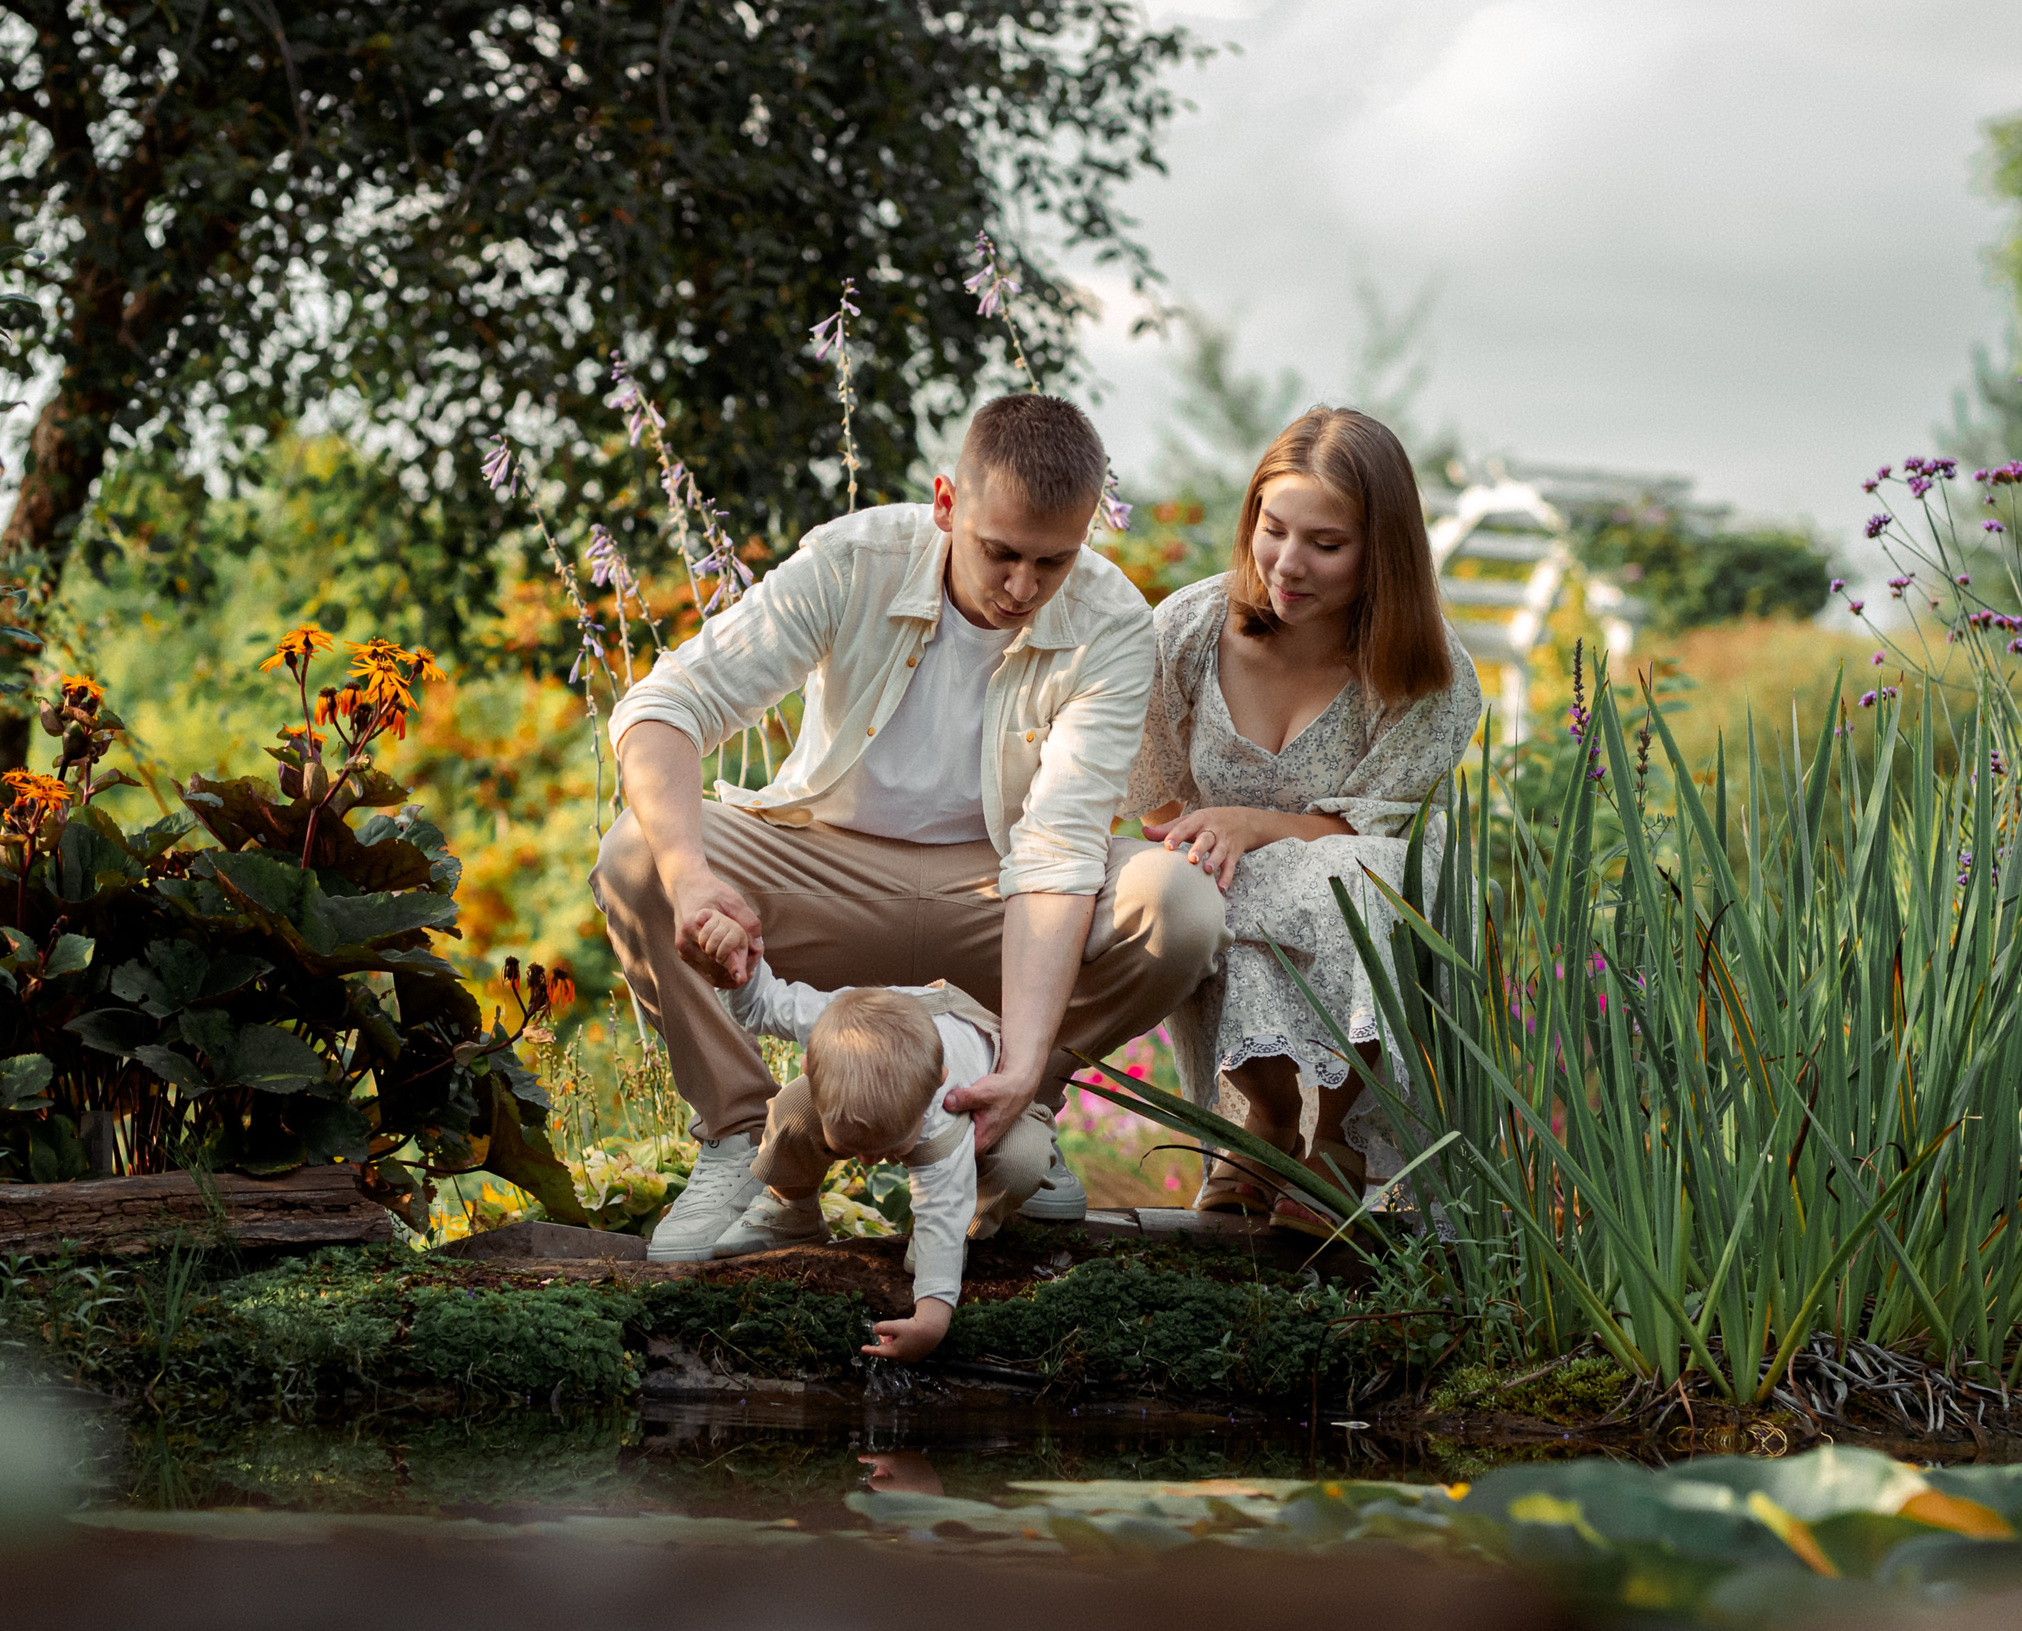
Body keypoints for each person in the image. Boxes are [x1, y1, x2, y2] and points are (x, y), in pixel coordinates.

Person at [595, 392, 1227, 1261]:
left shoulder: (1111, 622)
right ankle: (741, 1137)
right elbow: (664, 706)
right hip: (828, 872)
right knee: (637, 854)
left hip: (997, 895)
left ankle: (1017, 1097)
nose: (1022, 587)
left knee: (1180, 904)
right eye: (1000, 552)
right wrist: (695, 880)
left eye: (1053, 561)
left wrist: (1026, 1055)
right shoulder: (856, 560)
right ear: (946, 504)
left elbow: (1058, 845)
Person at [1123, 407, 1483, 1234]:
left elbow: (1379, 834)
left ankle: (1338, 1143)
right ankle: (1267, 1122)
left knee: (1355, 882)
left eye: (1326, 544)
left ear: (1382, 552)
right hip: (1227, 870)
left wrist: (1254, 822)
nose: (1287, 564)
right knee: (1193, 890)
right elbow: (1155, 793)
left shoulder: (1427, 673)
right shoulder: (1187, 629)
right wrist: (1209, 837)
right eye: (1271, 528)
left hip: (1356, 875)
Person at [695, 912, 1053, 1363]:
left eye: (890, 1149)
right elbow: (759, 1005)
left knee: (1021, 1159)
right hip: (887, 1066)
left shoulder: (943, 1111)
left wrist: (930, 1322)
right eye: (852, 1149)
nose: (867, 1163)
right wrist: (735, 957)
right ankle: (791, 1208)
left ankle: (975, 1225)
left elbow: (940, 1210)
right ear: (811, 1064)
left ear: (936, 1086)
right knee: (793, 1107)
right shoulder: (831, 1023)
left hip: (984, 1108)